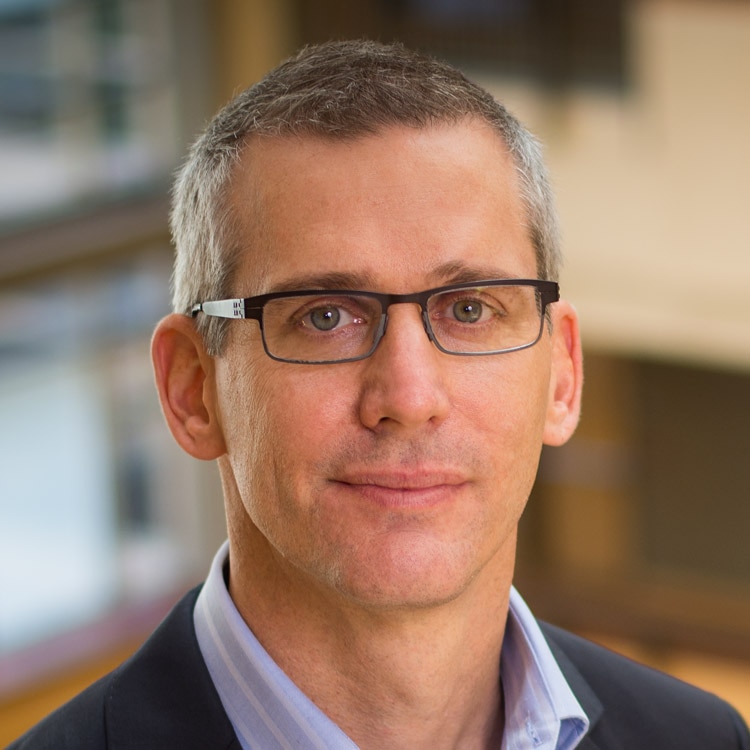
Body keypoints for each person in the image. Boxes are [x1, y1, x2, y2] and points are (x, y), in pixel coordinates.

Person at [9, 40, 749, 750]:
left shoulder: (701, 740)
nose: (408, 396)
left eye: (469, 309)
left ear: (563, 375)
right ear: (192, 390)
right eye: (324, 317)